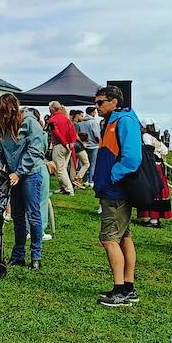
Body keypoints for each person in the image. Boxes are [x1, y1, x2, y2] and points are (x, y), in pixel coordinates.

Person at [90, 85, 142, 307]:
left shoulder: (123, 122)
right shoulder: (114, 122)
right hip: (113, 189)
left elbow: (132, 158)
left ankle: (120, 290)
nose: (97, 106)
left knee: (109, 239)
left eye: (100, 102)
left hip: (116, 190)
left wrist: (112, 177)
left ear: (114, 101)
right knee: (124, 237)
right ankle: (127, 287)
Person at [0, 94, 48, 269]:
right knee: (17, 216)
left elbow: (35, 149)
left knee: (33, 214)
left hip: (31, 173)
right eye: (2, 114)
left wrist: (19, 172)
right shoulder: (2, 127)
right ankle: (18, 255)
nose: (6, 117)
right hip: (13, 175)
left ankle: (36, 256)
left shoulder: (30, 123)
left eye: (7, 113)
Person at [45, 101, 78, 195]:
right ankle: (63, 187)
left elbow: (55, 132)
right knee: (62, 168)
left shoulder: (52, 120)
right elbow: (73, 131)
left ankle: (69, 189)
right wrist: (71, 142)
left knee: (60, 170)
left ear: (51, 109)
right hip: (68, 146)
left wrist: (64, 142)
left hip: (59, 145)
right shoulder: (66, 119)